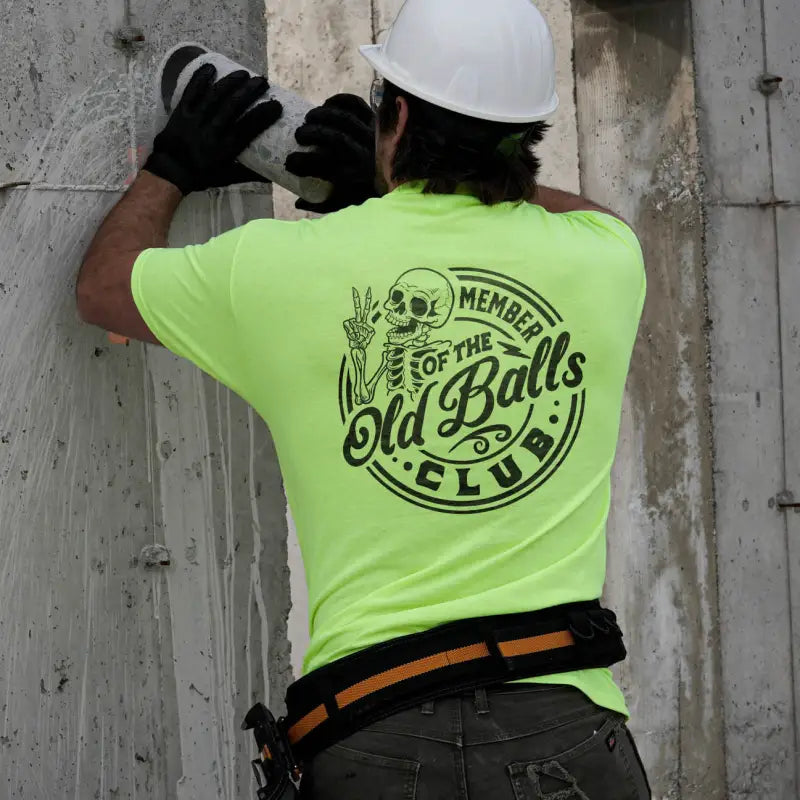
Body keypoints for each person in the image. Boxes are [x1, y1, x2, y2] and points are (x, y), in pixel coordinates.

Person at [77, 0, 650, 796]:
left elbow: (103, 287)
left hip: (374, 733)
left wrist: (172, 165)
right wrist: (383, 188)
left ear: (400, 113)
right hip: (565, 725)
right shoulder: (607, 263)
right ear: (531, 132)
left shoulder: (278, 272)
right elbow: (588, 218)